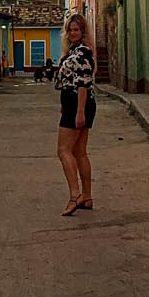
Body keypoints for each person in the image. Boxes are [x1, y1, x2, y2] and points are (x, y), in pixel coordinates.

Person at [54, 14, 96, 216]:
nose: (72, 33)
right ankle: (86, 197)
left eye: (76, 29)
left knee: (63, 150)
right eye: (70, 30)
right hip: (74, 103)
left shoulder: (82, 53)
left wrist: (79, 111)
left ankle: (74, 195)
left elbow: (82, 83)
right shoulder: (76, 51)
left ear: (83, 31)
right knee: (79, 152)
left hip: (78, 103)